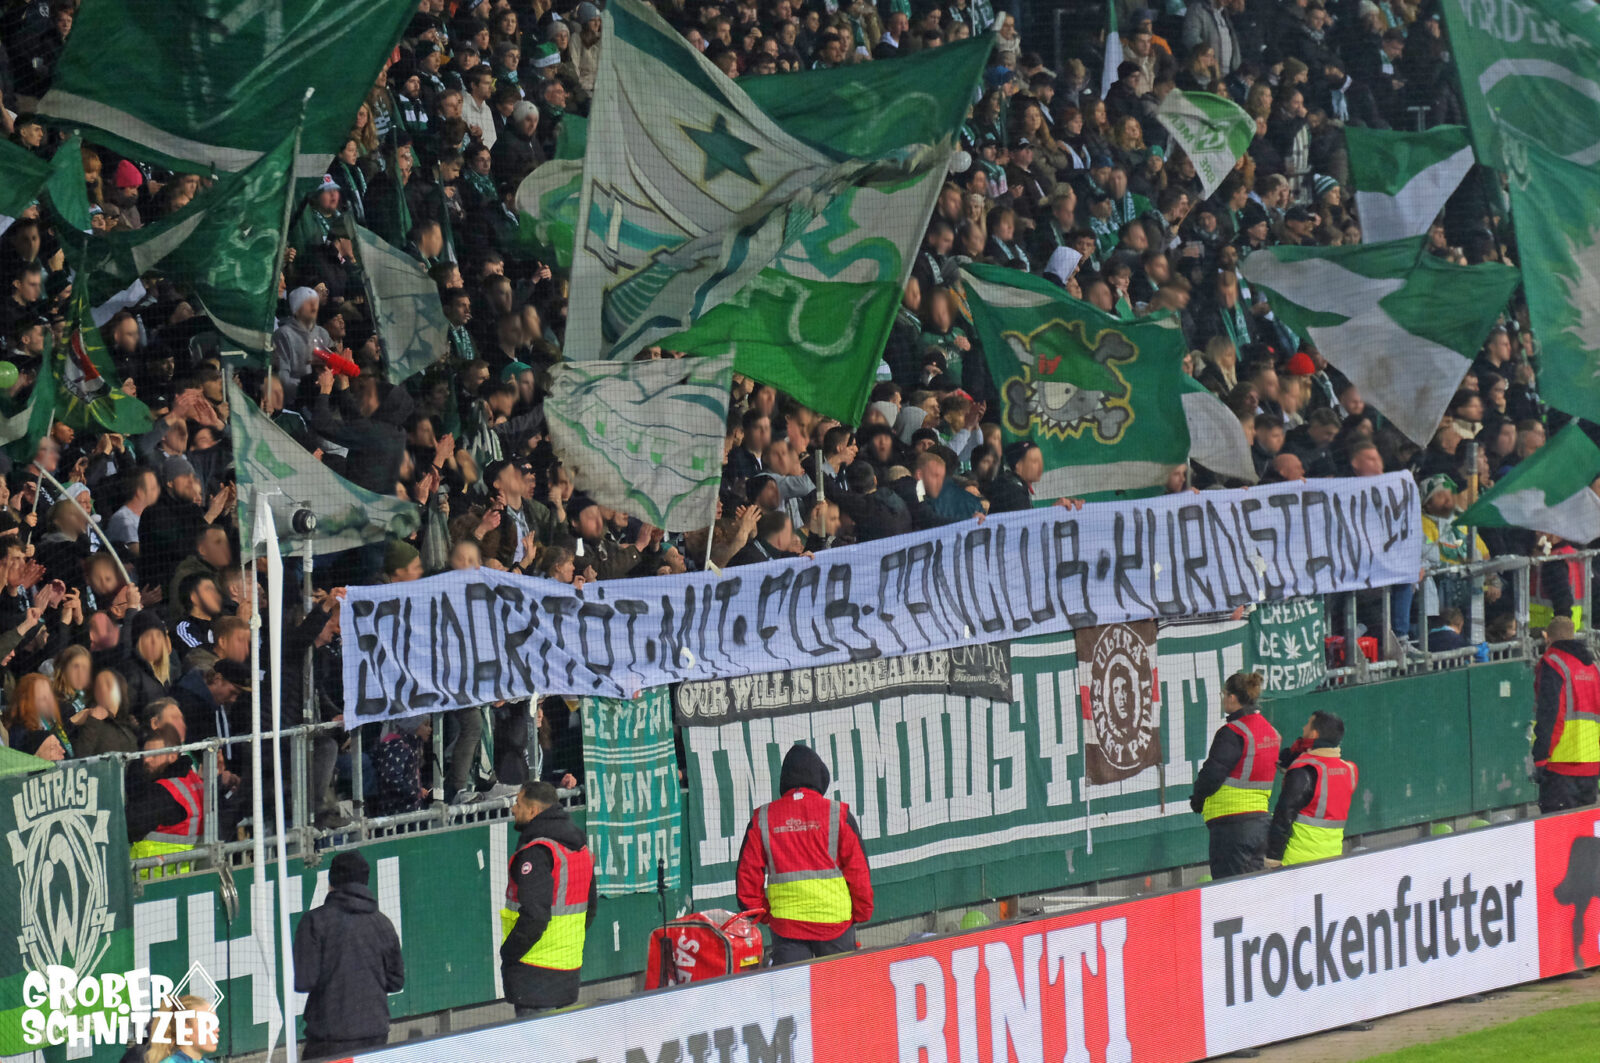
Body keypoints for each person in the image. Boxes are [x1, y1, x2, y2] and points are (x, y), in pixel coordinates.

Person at [735, 744, 873, 965]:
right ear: (820, 778)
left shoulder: (763, 818)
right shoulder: (838, 814)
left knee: (793, 997)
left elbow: (747, 880)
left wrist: (763, 914)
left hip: (787, 926)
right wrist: (862, 912)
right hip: (835, 923)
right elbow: (858, 872)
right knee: (840, 997)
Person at [294, 850, 405, 1061]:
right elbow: (396, 981)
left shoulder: (315, 922)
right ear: (365, 881)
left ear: (331, 882)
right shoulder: (382, 923)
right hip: (375, 1033)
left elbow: (303, 980)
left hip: (330, 1037)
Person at [500, 780, 597, 1015]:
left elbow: (535, 915)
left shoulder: (537, 853)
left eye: (518, 803)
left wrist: (509, 952)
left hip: (534, 973)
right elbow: (590, 908)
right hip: (567, 967)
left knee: (534, 1049)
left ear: (533, 811)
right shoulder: (579, 847)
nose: (513, 809)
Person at [1190, 671, 1280, 879]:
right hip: (1261, 823)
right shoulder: (1271, 731)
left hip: (1231, 826)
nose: (1223, 700)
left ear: (1232, 698)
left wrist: (1198, 800)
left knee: (1231, 892)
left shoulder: (1232, 732)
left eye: (1224, 695)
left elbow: (1212, 774)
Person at [1266, 711, 1356, 868]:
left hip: (1296, 861)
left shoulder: (1304, 771)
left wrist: (1273, 856)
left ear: (1313, 734)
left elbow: (1283, 815)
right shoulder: (1350, 770)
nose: (1303, 727)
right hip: (1331, 857)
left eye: (1307, 724)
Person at [1531, 616, 1600, 814]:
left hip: (1560, 764)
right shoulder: (1593, 667)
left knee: (1556, 833)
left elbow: (1551, 715)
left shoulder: (1553, 663)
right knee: (1582, 834)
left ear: (1547, 638)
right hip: (1591, 762)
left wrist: (1541, 757)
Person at [127, 726, 204, 877]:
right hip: (181, 874)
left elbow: (128, 825)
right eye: (145, 754)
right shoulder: (192, 780)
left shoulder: (163, 792)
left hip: (151, 879)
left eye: (153, 754)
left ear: (173, 756)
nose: (146, 759)